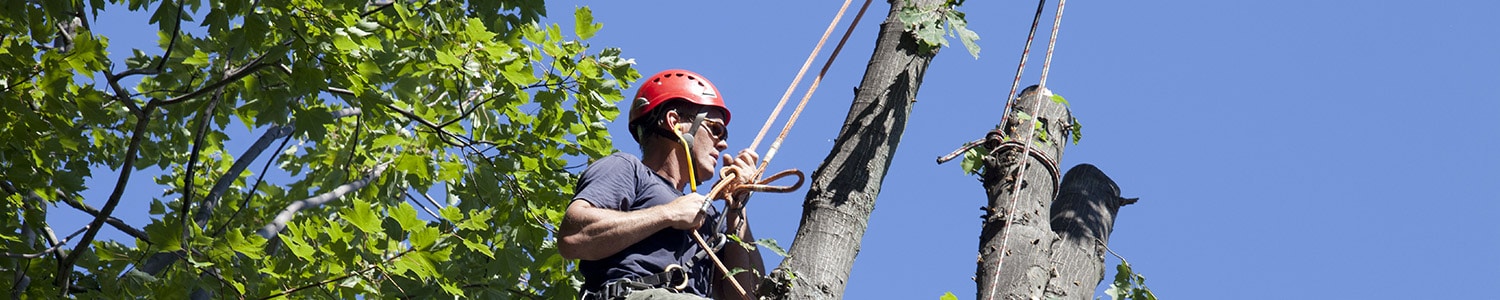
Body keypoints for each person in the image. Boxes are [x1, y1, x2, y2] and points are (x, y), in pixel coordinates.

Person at [559, 69, 764, 300]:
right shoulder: (628, 169)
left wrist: (737, 208)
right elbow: (573, 237)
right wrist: (669, 213)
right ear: (675, 123)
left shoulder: (711, 217)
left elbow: (749, 295)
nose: (723, 143)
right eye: (716, 129)